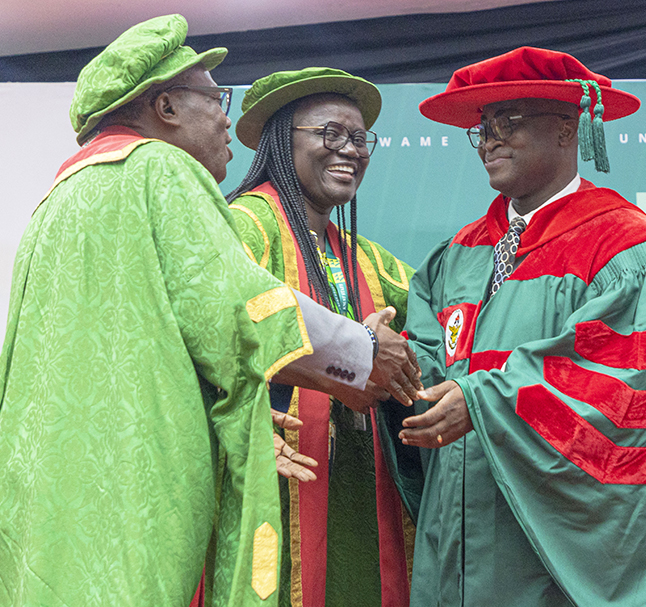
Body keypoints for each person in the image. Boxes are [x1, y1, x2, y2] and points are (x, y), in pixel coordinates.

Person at [0, 15, 420, 607]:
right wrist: (365, 355)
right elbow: (240, 308)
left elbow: (151, 341)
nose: (227, 117)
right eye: (215, 98)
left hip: (64, 475)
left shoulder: (59, 197)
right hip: (144, 468)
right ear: (166, 107)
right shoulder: (157, 169)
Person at [381, 46, 646, 606]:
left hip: (554, 555)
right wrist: (393, 366)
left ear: (569, 129)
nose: (490, 140)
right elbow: (432, 358)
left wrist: (481, 401)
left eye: (509, 122)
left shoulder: (624, 249)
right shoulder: (459, 254)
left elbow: (617, 394)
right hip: (457, 539)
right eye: (483, 128)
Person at [226, 68, 413, 607]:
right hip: (274, 470)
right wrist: (360, 350)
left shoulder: (364, 257)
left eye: (359, 139)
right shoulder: (244, 227)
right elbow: (222, 327)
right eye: (330, 134)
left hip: (354, 481)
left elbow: (435, 320)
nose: (349, 150)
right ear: (282, 141)